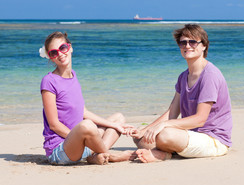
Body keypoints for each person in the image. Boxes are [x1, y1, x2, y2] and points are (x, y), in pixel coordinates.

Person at [130, 24, 232, 163]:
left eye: (193, 42)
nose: (187, 46)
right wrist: (146, 129)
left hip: (213, 140)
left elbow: (200, 119)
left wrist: (164, 125)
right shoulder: (183, 76)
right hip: (189, 135)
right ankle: (162, 152)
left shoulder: (210, 75)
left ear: (204, 46)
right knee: (141, 136)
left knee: (165, 134)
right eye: (183, 42)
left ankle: (164, 154)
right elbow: (172, 112)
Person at [39, 31, 136, 165]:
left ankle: (96, 156)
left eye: (62, 48)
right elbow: (54, 125)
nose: (60, 54)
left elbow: (82, 112)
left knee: (118, 118)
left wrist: (114, 125)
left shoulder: (73, 75)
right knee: (87, 125)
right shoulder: (49, 81)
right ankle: (111, 155)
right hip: (61, 150)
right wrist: (81, 140)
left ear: (70, 47)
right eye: (54, 53)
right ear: (50, 57)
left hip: (81, 143)